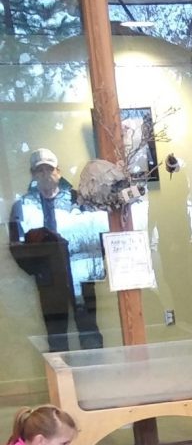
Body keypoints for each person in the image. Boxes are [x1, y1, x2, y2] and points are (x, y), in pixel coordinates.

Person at [8, 147, 106, 353]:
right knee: (56, 333)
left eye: (49, 169)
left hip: (80, 274)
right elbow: (16, 245)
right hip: (49, 278)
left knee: (89, 328)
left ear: (58, 171)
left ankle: (96, 368)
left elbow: (98, 233)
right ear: (33, 174)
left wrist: (92, 266)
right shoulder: (23, 205)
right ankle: (60, 373)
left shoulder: (79, 200)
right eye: (40, 170)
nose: (46, 174)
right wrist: (40, 269)